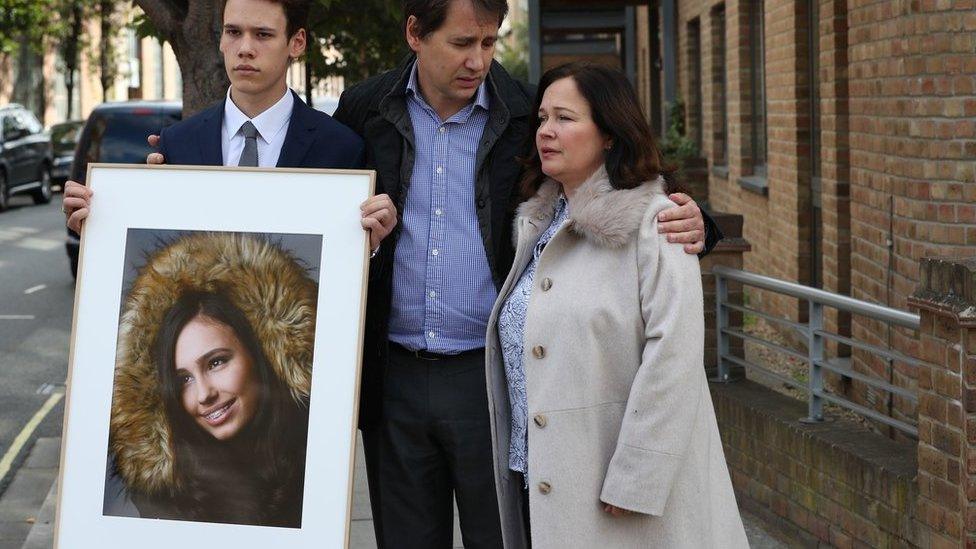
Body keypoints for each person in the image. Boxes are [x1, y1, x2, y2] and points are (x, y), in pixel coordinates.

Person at [332, 0, 720, 546]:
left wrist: (701, 223)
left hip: (488, 376)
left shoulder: (521, 110)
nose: (479, 60)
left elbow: (617, 175)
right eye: (463, 43)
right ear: (415, 33)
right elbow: (313, 199)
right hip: (391, 375)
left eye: (490, 43)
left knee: (506, 535)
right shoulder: (363, 108)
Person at [485, 62, 747, 548]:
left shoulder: (659, 223)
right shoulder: (536, 224)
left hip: (622, 491)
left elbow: (675, 356)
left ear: (609, 133)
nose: (546, 131)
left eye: (565, 118)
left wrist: (638, 475)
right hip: (540, 479)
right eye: (541, 118)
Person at [62, 0, 397, 252]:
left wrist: (369, 245)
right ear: (221, 39)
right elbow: (157, 253)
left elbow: (346, 273)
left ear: (296, 43)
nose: (245, 49)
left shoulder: (341, 148)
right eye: (233, 32)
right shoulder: (176, 145)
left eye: (263, 35)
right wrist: (100, 225)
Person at [109, 232, 318, 527]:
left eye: (216, 362)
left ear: (259, 353)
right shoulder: (168, 492)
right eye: (183, 379)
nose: (204, 394)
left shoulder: (321, 444)